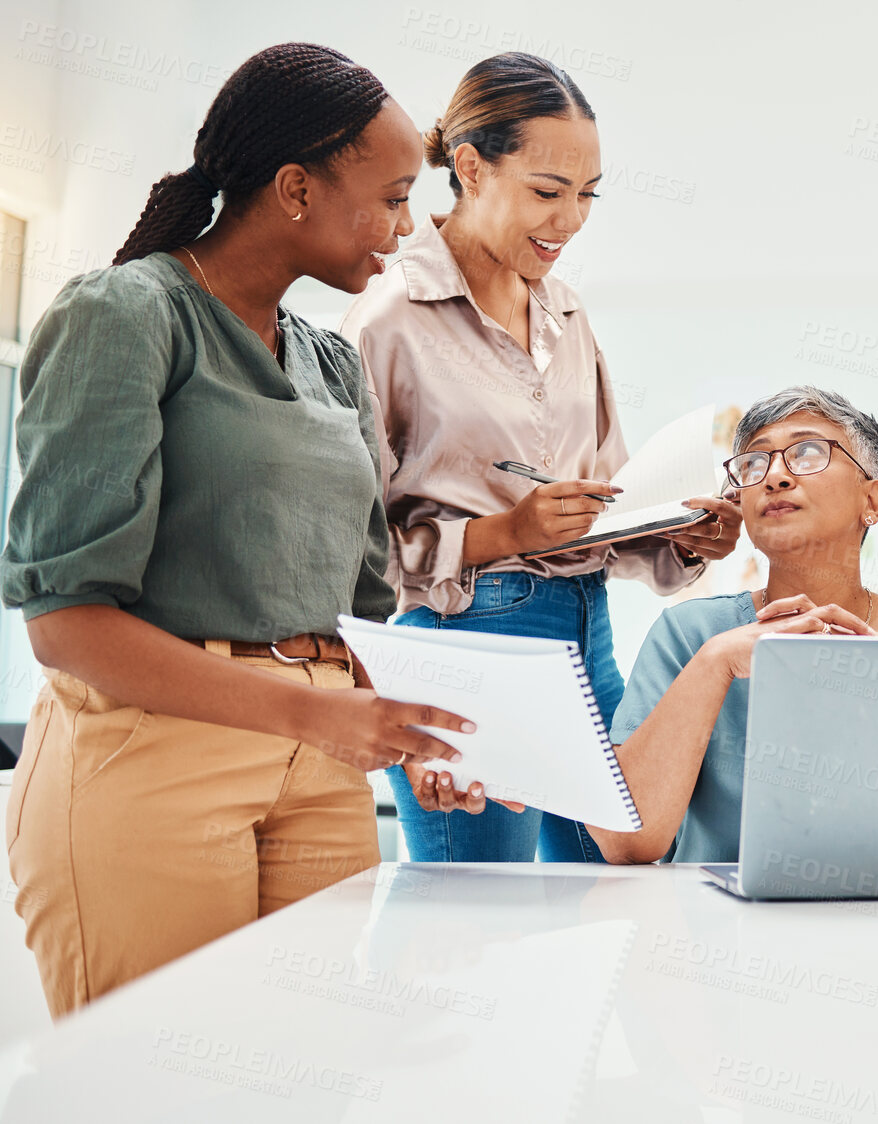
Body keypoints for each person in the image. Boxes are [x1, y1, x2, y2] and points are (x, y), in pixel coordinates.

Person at [0, 43, 474, 1016]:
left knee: (304, 1072)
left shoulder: (331, 362)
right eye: (389, 196)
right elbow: (67, 625)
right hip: (154, 753)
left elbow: (362, 612)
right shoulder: (128, 316)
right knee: (152, 1081)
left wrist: (416, 735)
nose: (408, 223)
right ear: (296, 188)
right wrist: (316, 712)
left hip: (323, 767)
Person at [340, 53, 742, 863]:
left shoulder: (566, 311)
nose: (572, 221)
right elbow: (350, 555)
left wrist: (676, 539)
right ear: (469, 168)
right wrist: (501, 534)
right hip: (464, 644)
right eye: (548, 193)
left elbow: (605, 501)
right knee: (473, 933)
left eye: (588, 196)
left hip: (586, 630)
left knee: (614, 895)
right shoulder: (389, 317)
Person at [589, 387, 878, 864]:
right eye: (754, 464)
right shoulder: (691, 636)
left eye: (808, 452)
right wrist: (716, 663)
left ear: (871, 501)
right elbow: (626, 841)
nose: (774, 476)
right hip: (716, 926)